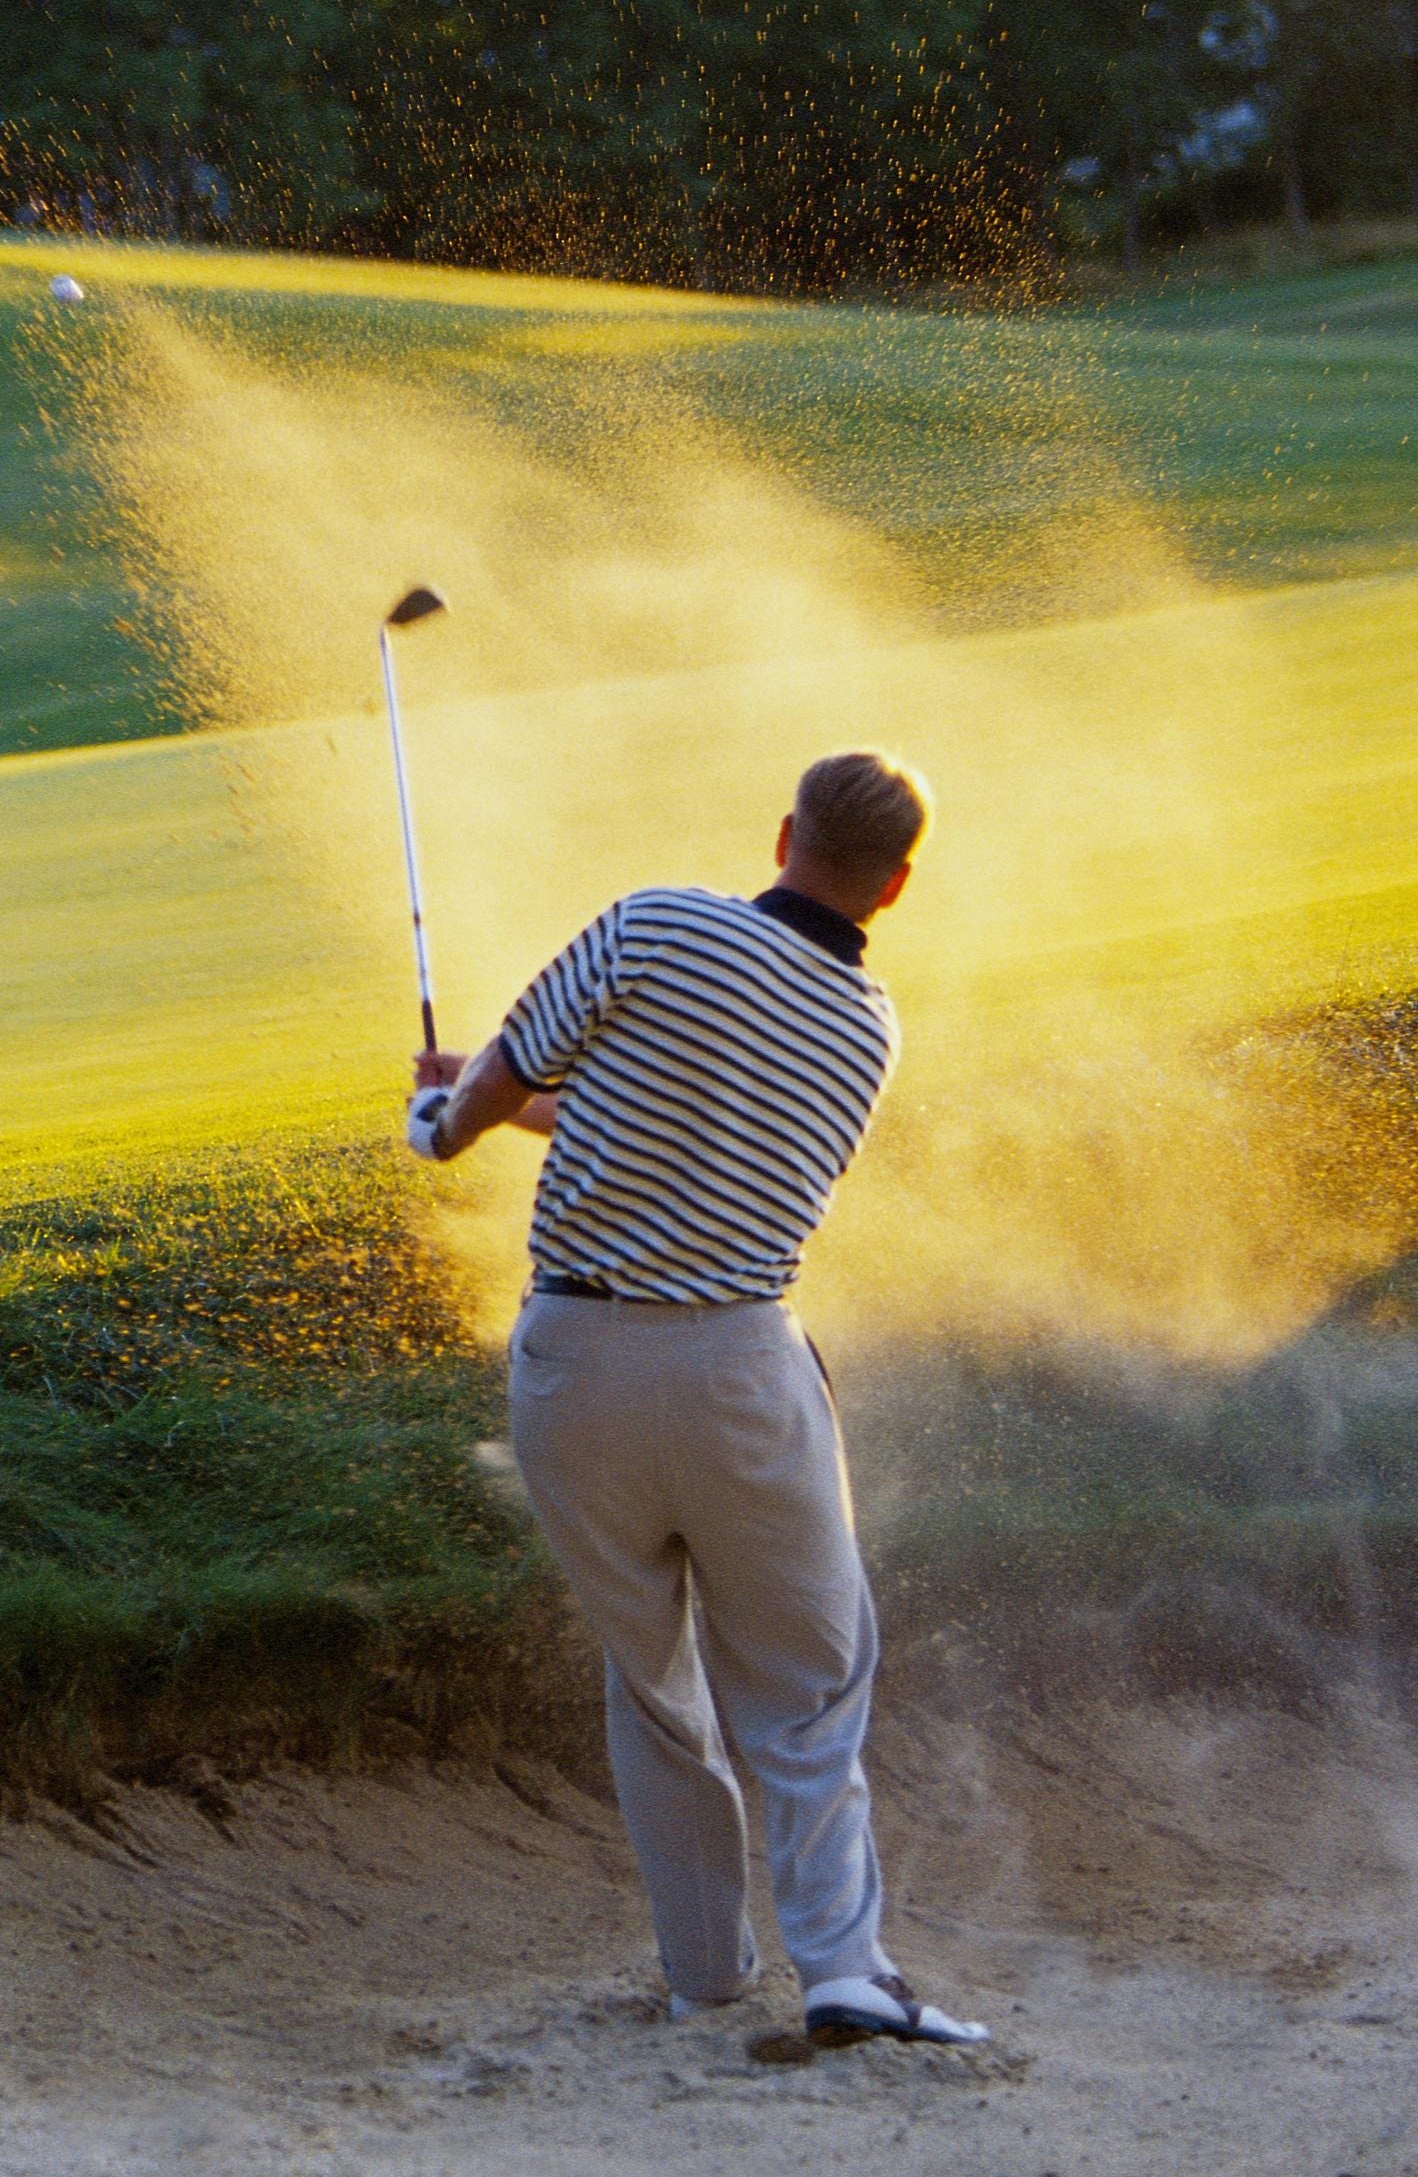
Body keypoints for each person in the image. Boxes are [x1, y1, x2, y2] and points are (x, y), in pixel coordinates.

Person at [401, 751, 988, 2050]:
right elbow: (670, 1118)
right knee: (807, 1678)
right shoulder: (864, 1027)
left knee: (653, 1682)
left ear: (783, 832)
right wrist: (493, 1100)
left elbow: (525, 1072)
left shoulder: (657, 923)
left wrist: (448, 1122)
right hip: (733, 1370)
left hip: (571, 1364)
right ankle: (840, 1965)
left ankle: (702, 1980)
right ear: (891, 886)